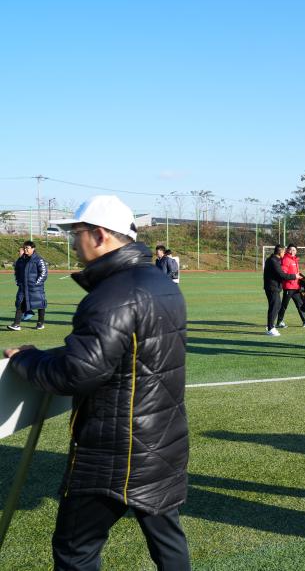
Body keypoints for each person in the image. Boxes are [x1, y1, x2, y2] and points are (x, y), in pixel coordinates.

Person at [3, 195, 190, 570]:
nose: (73, 243)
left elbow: (77, 373)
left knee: (76, 549)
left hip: (113, 452)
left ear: (100, 234)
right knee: (168, 543)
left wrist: (25, 358)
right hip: (162, 440)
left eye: (77, 234)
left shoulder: (113, 294)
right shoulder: (159, 281)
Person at [7, 240, 48, 331]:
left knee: (40, 304)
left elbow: (44, 273)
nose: (25, 249)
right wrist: (18, 281)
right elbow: (17, 271)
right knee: (20, 304)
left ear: (33, 249)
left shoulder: (39, 260)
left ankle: (40, 323)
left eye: (28, 248)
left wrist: (37, 283)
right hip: (23, 287)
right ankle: (16, 324)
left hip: (35, 288)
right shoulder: (21, 260)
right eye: (24, 248)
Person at [276, 244, 305, 328]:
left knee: (300, 304)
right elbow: (284, 274)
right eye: (291, 250)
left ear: (296, 251)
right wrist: (294, 276)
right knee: (284, 305)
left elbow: (295, 272)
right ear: (287, 250)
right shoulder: (286, 259)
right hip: (288, 287)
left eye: (294, 250)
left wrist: (300, 278)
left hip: (295, 287)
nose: (292, 251)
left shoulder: (294, 260)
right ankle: (279, 322)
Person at [263, 245, 290, 336]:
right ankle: (270, 328)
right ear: (279, 252)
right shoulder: (273, 261)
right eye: (283, 252)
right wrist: (295, 276)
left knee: (276, 306)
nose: (284, 253)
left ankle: (270, 325)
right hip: (272, 288)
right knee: (275, 307)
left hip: (274, 287)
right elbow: (282, 275)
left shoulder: (274, 260)